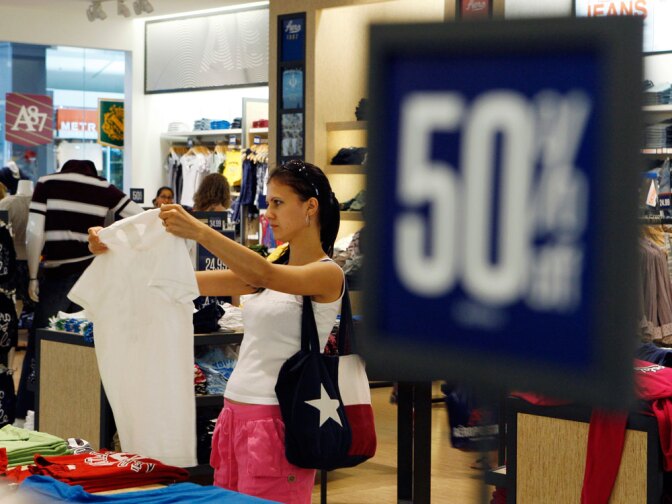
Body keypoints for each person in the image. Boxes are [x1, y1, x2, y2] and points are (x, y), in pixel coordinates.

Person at [89, 159, 343, 504]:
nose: (268, 213)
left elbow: (266, 275)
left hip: (278, 420)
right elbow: (176, 283)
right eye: (268, 202)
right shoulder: (269, 267)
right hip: (235, 414)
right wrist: (114, 249)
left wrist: (199, 230)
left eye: (278, 203)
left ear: (310, 207)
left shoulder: (326, 275)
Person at [15, 159, 143, 423]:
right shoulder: (103, 187)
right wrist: (112, 246)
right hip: (93, 277)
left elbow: (33, 233)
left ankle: (26, 415)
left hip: (56, 277)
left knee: (42, 347)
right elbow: (139, 217)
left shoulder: (48, 183)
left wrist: (32, 276)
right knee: (89, 347)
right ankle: (83, 416)